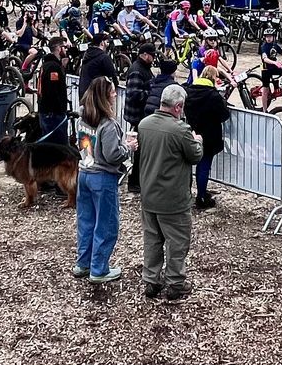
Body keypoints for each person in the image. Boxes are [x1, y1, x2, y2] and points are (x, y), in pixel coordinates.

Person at [135, 84, 202, 300]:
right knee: (177, 242)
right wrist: (198, 141)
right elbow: (195, 156)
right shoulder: (180, 130)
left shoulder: (144, 125)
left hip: (149, 194)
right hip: (173, 199)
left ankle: (151, 280)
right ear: (178, 106)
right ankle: (175, 283)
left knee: (152, 240)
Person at [73, 77, 132, 285]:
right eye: (113, 92)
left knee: (86, 221)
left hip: (84, 173)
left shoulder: (82, 119)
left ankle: (83, 263)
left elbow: (82, 145)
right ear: (105, 96)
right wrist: (129, 147)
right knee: (106, 224)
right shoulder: (108, 124)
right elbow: (112, 155)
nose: (115, 95)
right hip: (102, 177)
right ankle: (99, 269)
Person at [183, 62, 231, 210]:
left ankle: (186, 194)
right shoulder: (213, 95)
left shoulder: (189, 91)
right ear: (213, 78)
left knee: (187, 166)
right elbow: (224, 115)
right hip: (209, 135)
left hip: (191, 132)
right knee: (203, 167)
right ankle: (201, 197)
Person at [36, 33, 71, 144]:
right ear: (58, 48)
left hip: (50, 112)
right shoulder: (52, 67)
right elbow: (52, 91)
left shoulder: (50, 64)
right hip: (52, 114)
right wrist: (59, 110)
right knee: (55, 145)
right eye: (64, 47)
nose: (66, 49)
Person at [77, 31, 117, 102]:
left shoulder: (86, 55)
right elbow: (112, 75)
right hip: (97, 97)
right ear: (102, 43)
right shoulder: (104, 57)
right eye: (107, 42)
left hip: (84, 95)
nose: (107, 44)